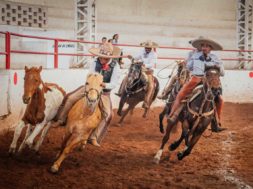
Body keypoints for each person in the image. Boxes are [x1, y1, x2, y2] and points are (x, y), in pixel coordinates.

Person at [53, 42, 122, 146]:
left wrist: (104, 85)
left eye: (105, 58)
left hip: (104, 92)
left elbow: (114, 83)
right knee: (70, 98)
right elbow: (90, 74)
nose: (102, 59)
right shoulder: (95, 61)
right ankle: (61, 119)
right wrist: (93, 83)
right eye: (101, 57)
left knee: (108, 114)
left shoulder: (115, 66)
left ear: (110, 57)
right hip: (90, 88)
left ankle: (94, 137)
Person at [167, 37, 225, 132]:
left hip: (211, 81)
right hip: (196, 79)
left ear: (211, 48)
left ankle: (217, 121)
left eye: (207, 46)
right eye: (203, 46)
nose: (204, 48)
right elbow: (189, 67)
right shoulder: (194, 55)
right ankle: (172, 115)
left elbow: (222, 73)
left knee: (220, 100)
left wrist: (217, 67)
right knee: (180, 95)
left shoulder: (216, 58)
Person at [116, 40, 158, 108]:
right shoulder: (142, 51)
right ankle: (121, 92)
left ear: (151, 48)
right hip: (139, 68)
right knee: (127, 77)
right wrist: (132, 58)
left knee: (151, 85)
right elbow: (137, 57)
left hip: (148, 70)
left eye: (148, 48)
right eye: (146, 47)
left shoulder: (154, 54)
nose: (147, 49)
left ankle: (146, 101)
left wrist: (144, 65)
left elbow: (152, 63)